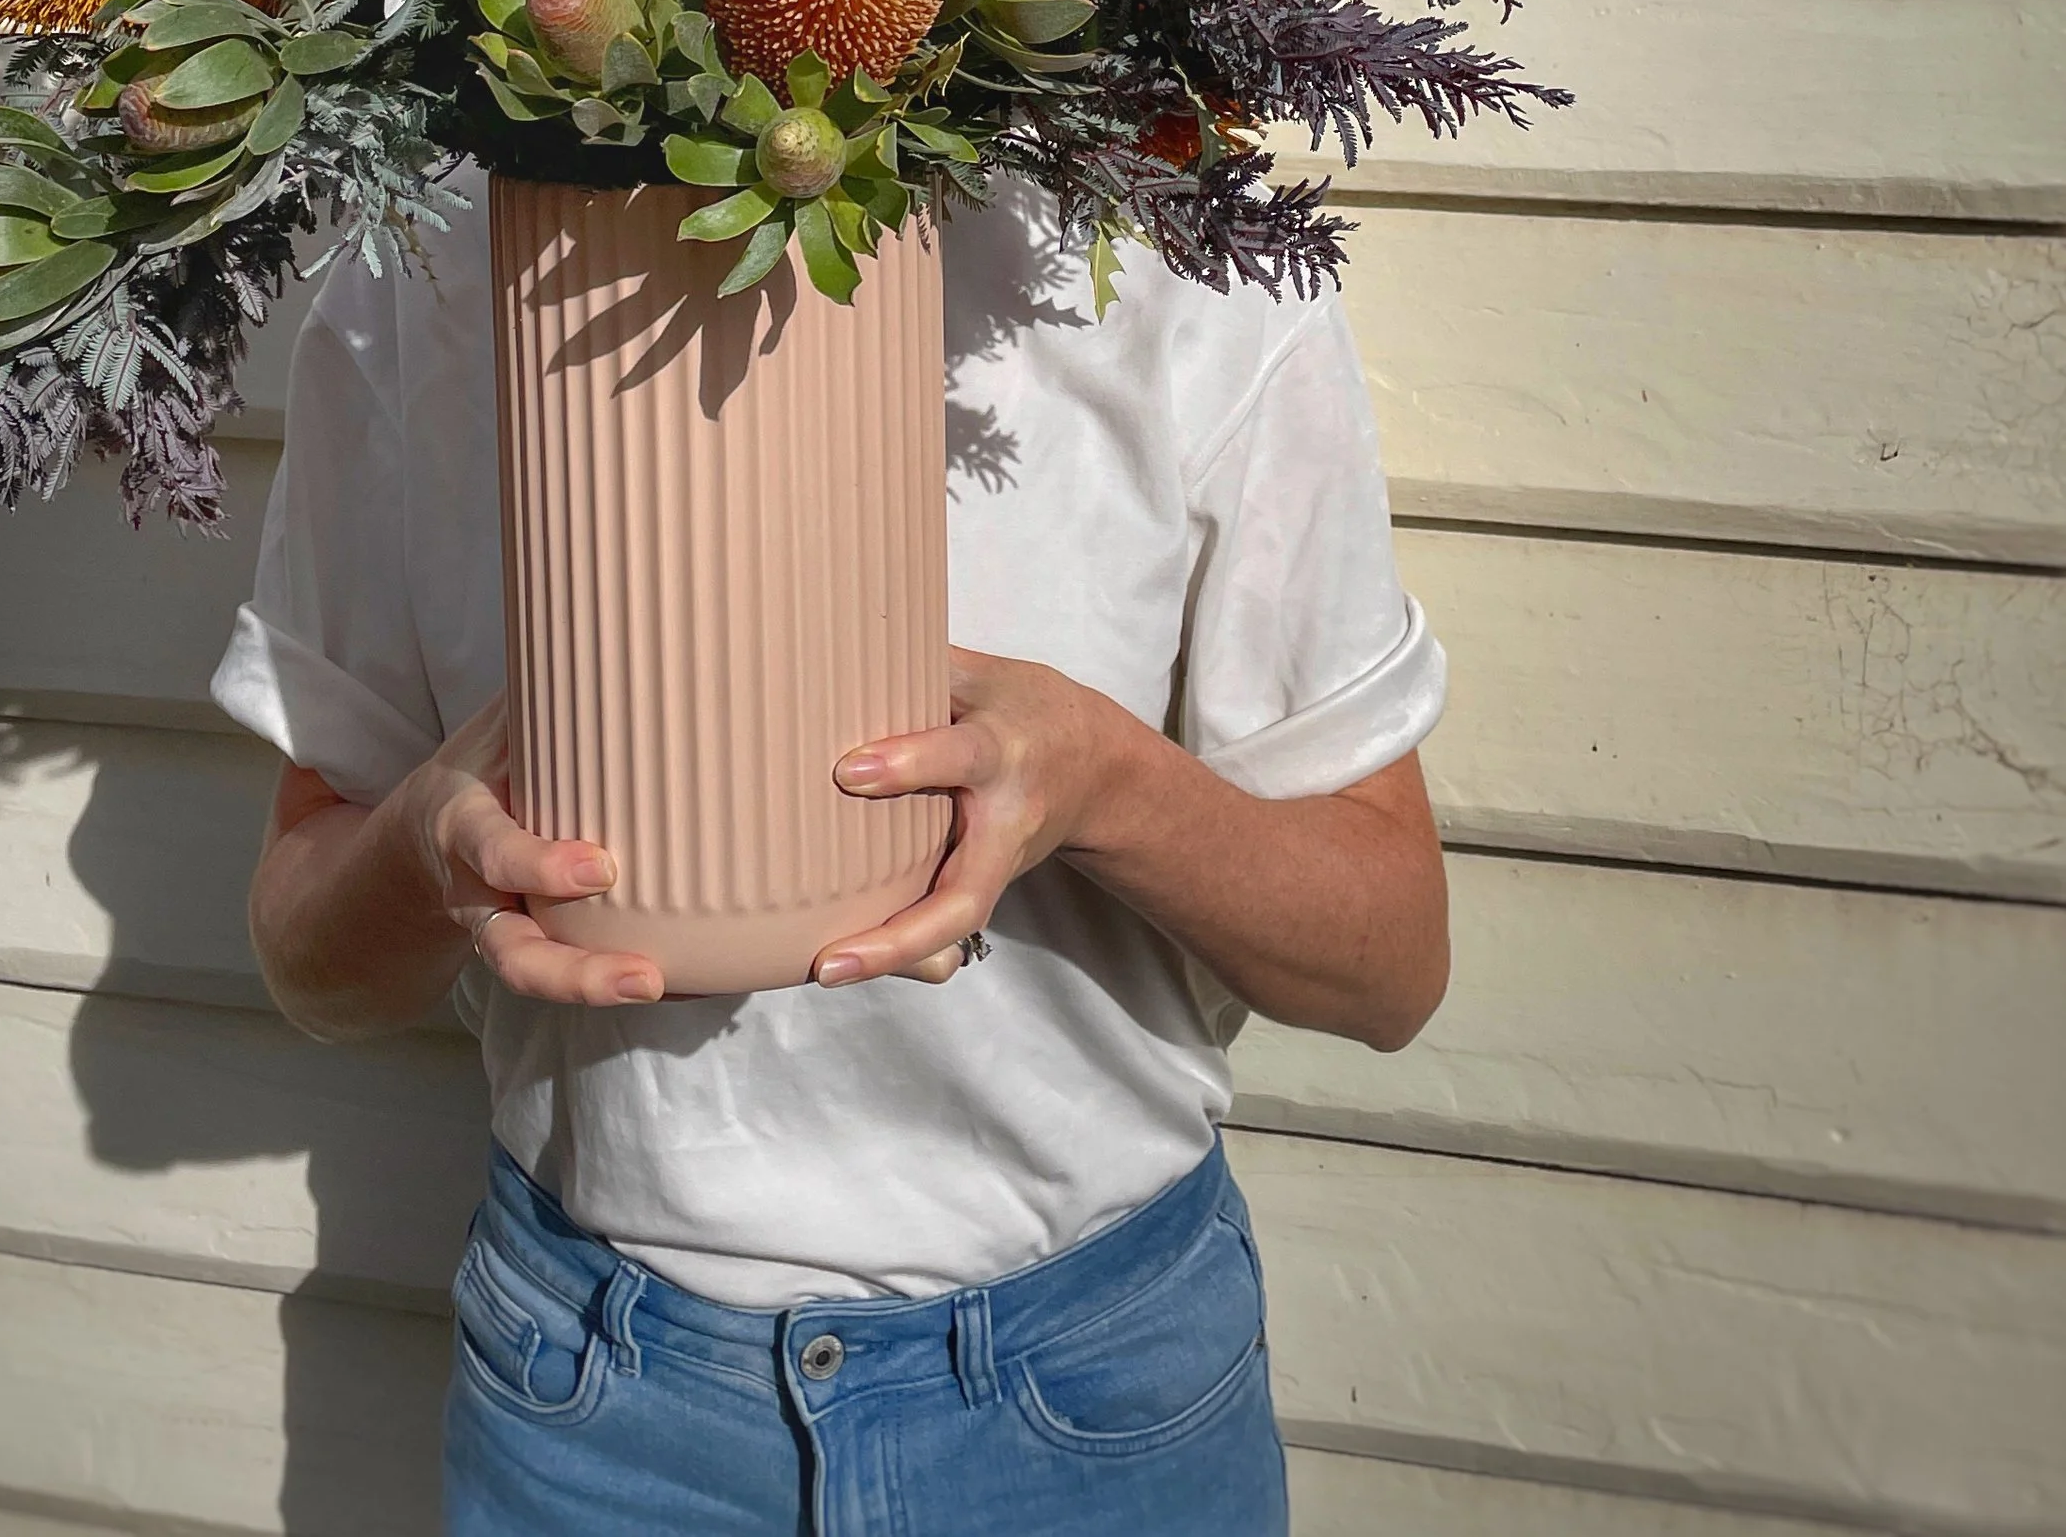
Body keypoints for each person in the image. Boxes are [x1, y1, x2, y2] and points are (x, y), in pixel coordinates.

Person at [215, 179, 1449, 1533]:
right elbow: (308, 953)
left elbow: (1388, 963)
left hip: (1090, 1399)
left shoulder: (1180, 261)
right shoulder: (422, 268)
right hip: (599, 1410)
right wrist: (427, 846)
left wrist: (1102, 782)